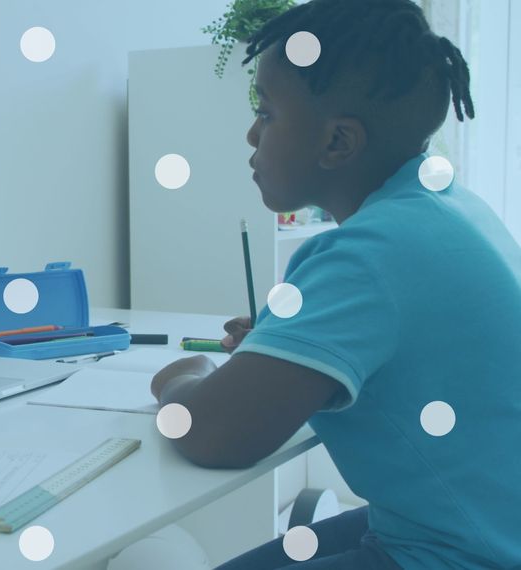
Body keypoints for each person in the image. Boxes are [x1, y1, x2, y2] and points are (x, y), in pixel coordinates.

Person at [149, 0, 520, 568]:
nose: (251, 133)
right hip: (475, 524)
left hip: (462, 554)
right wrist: (278, 349)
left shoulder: (366, 253)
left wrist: (183, 376)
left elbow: (210, 434)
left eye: (267, 113)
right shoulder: (448, 208)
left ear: (337, 144)